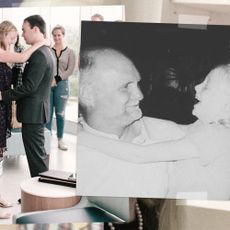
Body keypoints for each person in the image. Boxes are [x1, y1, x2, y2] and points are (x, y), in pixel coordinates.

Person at [79, 64, 230, 200]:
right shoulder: (205, 127)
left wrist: (83, 136)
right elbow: (180, 129)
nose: (196, 87)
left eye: (207, 86)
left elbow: (139, 155)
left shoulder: (217, 135)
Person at [0, 15, 55, 177]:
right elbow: (22, 58)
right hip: (35, 112)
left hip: (33, 113)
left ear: (35, 29)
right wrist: (44, 42)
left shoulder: (40, 54)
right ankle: (38, 193)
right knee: (37, 155)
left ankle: (39, 195)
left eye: (23, 31)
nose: (22, 36)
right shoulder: (45, 51)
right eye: (13, 37)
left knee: (36, 157)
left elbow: (30, 87)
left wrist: (3, 95)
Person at [46, 25, 76, 151]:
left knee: (60, 113)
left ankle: (60, 140)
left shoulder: (70, 52)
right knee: (47, 113)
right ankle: (46, 139)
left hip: (62, 85)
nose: (57, 37)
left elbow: (70, 70)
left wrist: (57, 79)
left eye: (59, 35)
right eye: (55, 35)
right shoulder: (48, 50)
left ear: (63, 35)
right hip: (48, 85)